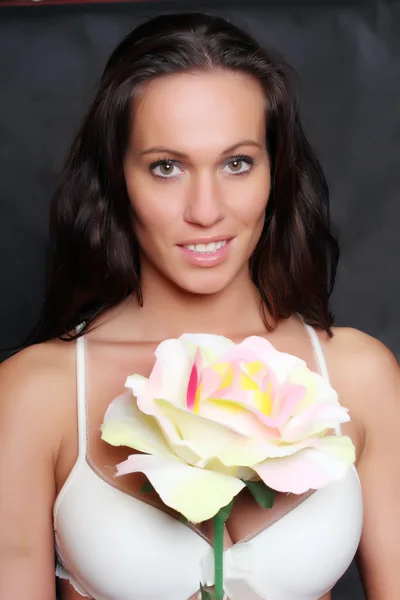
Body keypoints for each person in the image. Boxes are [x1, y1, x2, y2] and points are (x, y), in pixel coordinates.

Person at [0, 10, 399, 600]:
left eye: (237, 163)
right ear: (117, 179)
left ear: (275, 173)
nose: (206, 210)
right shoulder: (38, 391)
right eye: (167, 167)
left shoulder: (360, 376)